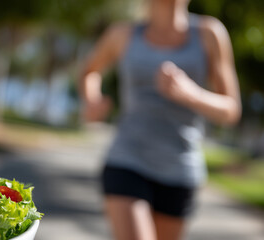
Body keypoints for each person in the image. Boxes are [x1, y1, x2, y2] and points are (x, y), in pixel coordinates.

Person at [79, 0, 241, 240]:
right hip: (127, 159)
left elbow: (231, 110)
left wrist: (191, 95)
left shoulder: (209, 33)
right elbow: (89, 70)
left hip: (180, 168)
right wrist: (92, 100)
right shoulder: (122, 33)